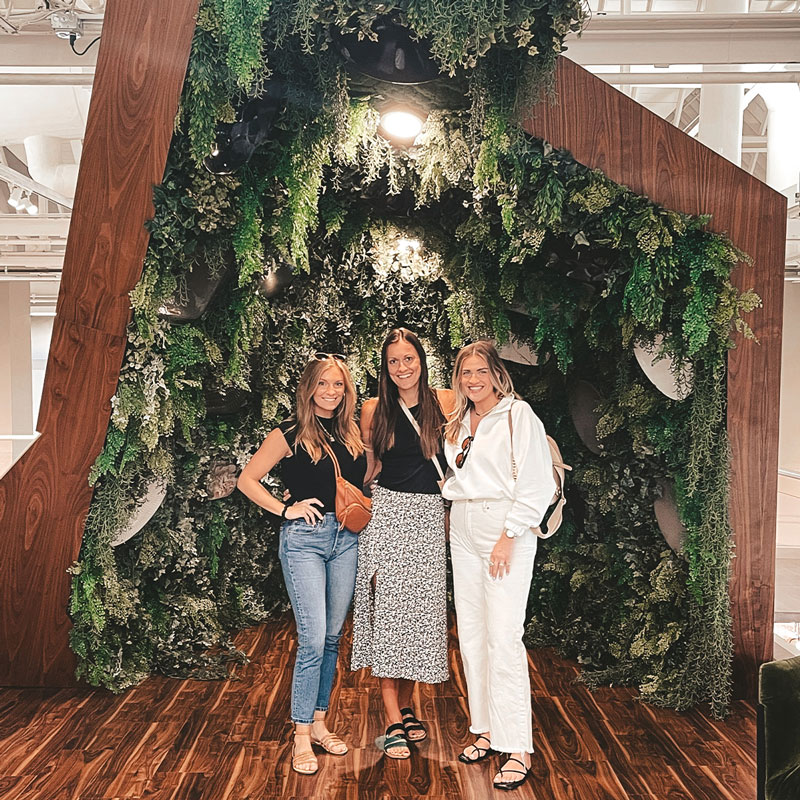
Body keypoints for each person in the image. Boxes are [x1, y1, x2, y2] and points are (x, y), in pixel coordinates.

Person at [237, 353, 366, 776]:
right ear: (308, 387)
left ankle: (321, 722)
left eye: (339, 385)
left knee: (331, 637)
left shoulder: (353, 433)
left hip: (347, 539)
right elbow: (247, 479)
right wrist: (284, 509)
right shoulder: (289, 433)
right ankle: (299, 734)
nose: (331, 392)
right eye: (323, 384)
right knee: (312, 639)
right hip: (306, 542)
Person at [442, 340, 555, 792]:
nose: (473, 380)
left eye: (480, 372)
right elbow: (460, 475)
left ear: (496, 374)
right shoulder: (457, 420)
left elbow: (538, 482)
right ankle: (486, 729)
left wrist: (511, 535)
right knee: (471, 635)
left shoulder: (517, 415)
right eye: (466, 373)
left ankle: (518, 747)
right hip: (464, 526)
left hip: (503, 529)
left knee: (504, 637)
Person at [351, 328, 454, 759]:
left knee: (421, 616)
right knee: (391, 615)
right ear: (385, 367)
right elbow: (371, 466)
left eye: (408, 358)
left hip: (431, 518)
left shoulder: (445, 401)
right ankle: (392, 718)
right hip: (390, 515)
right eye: (393, 361)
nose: (402, 368)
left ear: (421, 360)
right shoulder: (374, 408)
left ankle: (409, 706)